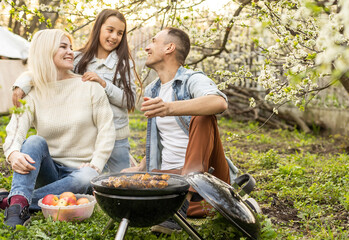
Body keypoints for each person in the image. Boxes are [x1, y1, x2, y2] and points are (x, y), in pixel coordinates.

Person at [121, 27, 238, 235]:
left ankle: (183, 201)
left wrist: (169, 108)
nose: (147, 46)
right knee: (122, 181)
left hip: (209, 185)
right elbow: (159, 141)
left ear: (169, 47)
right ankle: (175, 203)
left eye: (154, 41)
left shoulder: (193, 79)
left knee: (203, 117)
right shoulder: (152, 91)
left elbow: (219, 102)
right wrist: (139, 168)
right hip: (169, 181)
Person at [0, 29, 115, 229]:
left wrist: (95, 165)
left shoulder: (89, 86)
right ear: (46, 51)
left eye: (70, 47)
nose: (71, 51)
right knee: (34, 141)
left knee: (87, 175)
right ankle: (19, 206)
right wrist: (13, 154)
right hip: (48, 172)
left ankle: (16, 202)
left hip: (81, 174)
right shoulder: (33, 91)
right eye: (63, 47)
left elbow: (107, 130)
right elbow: (15, 129)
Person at [12, 9, 139, 173]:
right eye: (110, 30)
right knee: (89, 180)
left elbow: (129, 101)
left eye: (120, 33)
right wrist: (22, 83)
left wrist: (103, 83)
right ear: (98, 28)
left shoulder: (123, 64)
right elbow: (46, 70)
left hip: (116, 137)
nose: (114, 36)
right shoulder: (79, 58)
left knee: (120, 183)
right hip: (85, 137)